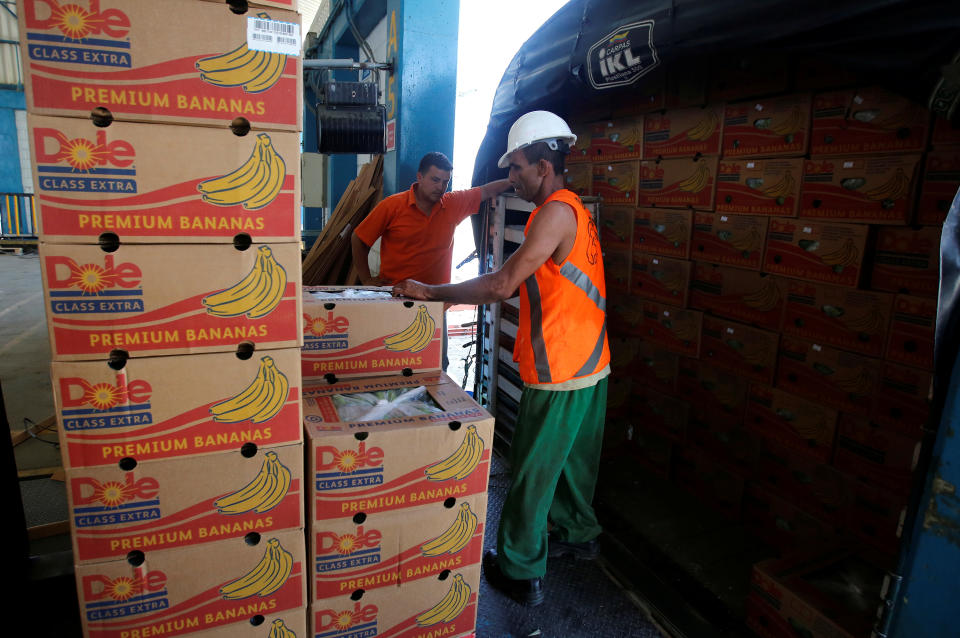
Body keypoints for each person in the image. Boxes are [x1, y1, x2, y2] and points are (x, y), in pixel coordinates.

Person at [392, 111, 610, 606]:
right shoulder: (574, 207)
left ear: (543, 167)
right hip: (593, 361)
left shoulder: (552, 213)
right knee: (574, 466)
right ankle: (579, 534)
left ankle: (519, 569)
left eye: (517, 167)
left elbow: (500, 284)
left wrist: (430, 291)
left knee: (533, 471)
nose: (511, 177)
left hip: (560, 368)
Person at [352, 152, 511, 371]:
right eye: (435, 180)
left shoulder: (452, 204)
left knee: (436, 368)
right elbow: (359, 239)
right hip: (396, 301)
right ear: (420, 177)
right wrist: (366, 279)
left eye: (445, 181)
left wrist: (515, 180)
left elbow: (486, 191)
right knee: (391, 365)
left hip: (436, 305)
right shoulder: (392, 206)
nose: (441, 186)